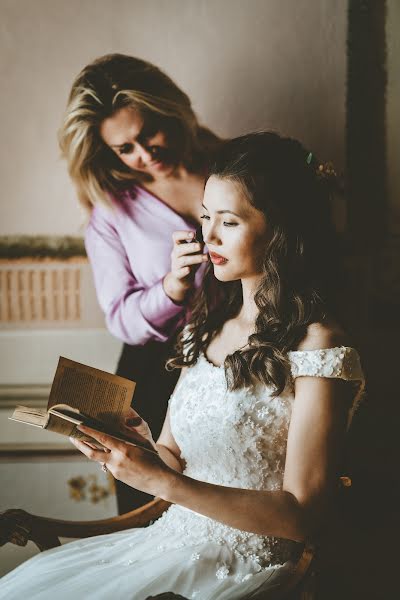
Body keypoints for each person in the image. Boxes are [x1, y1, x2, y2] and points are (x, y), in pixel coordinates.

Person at [0, 132, 364, 599]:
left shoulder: (320, 348)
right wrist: (129, 451)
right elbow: (170, 455)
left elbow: (302, 516)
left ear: (281, 229)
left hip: (245, 569)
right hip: (167, 543)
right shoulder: (207, 327)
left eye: (228, 222)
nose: (207, 236)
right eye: (205, 217)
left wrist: (164, 482)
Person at [58, 54, 220, 512]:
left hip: (248, 358)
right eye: (125, 148)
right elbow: (121, 318)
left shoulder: (239, 165)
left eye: (149, 133)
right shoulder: (112, 212)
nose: (145, 155)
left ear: (170, 110)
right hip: (155, 372)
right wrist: (170, 289)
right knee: (147, 511)